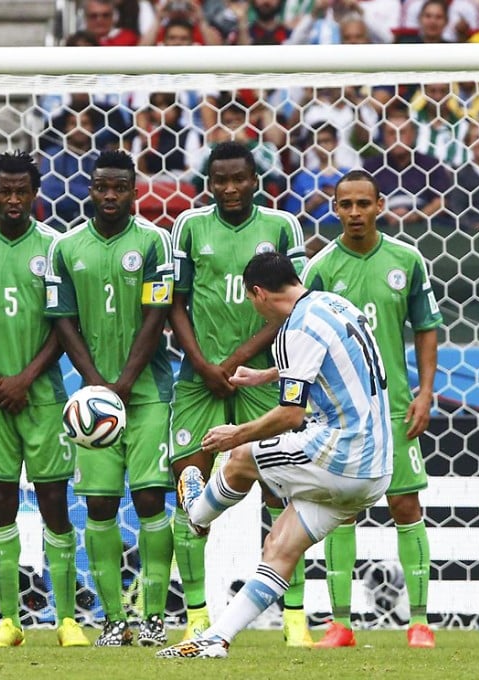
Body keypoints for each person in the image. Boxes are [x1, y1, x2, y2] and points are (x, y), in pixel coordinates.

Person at [156, 250, 392, 659]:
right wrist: (266, 375)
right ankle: (216, 639)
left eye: (251, 299)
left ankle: (197, 515)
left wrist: (236, 434)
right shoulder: (333, 305)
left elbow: (290, 414)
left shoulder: (295, 328)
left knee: (242, 457)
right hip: (375, 471)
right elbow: (332, 360)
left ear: (259, 293)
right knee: (279, 549)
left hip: (340, 454)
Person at [0, 151, 89, 648]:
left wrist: (25, 378)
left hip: (44, 396)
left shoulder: (56, 247)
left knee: (54, 503)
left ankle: (66, 619)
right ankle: (9, 622)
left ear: (35, 193)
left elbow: (65, 324)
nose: (11, 199)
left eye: (21, 190)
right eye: (3, 190)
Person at [168, 141, 311, 646]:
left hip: (262, 372)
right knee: (187, 479)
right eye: (220, 179)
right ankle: (196, 615)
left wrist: (235, 361)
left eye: (239, 179)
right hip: (198, 374)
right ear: (208, 182)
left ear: (256, 179)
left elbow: (295, 305)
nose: (230, 188)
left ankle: (294, 617)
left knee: (281, 488)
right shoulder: (187, 226)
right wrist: (205, 363)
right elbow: (174, 303)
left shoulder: (281, 226)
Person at [301, 170, 440, 649]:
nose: (355, 213)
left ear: (380, 205)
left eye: (364, 203)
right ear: (334, 209)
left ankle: (419, 622)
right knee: (340, 511)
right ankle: (340, 625)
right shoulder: (318, 268)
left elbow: (425, 328)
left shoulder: (407, 259)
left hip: (397, 409)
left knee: (406, 505)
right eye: (346, 205)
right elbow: (304, 337)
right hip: (339, 415)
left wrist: (424, 393)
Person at [44, 150, 175, 647]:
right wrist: (97, 382)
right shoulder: (65, 246)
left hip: (147, 395)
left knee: (148, 500)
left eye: (120, 187)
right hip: (93, 401)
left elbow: (156, 317)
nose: (110, 196)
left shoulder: (154, 242)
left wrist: (122, 383)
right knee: (98, 504)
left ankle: (154, 616)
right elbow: (62, 320)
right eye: (102, 187)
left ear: (135, 190)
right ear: (90, 189)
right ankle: (113, 619)